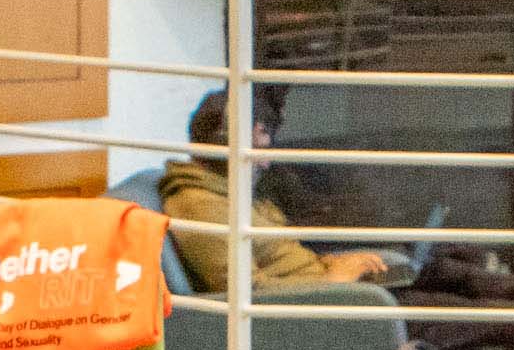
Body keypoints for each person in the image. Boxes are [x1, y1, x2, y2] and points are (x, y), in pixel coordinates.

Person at [158, 87, 394, 292]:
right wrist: (333, 281)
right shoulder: (201, 206)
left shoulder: (229, 191)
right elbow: (246, 293)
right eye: (256, 146)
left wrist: (332, 262)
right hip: (315, 306)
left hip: (325, 290)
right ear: (224, 144)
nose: (266, 160)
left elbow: (282, 257)